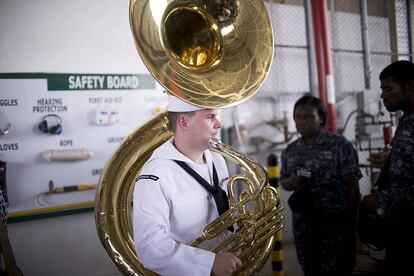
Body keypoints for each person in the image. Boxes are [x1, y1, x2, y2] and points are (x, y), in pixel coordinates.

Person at [133, 94, 241, 276]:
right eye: (210, 117)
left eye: (216, 116)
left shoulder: (218, 160)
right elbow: (150, 247)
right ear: (183, 123)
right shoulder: (156, 174)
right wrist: (209, 263)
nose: (219, 124)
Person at [280, 95, 362, 276]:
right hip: (304, 226)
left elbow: (352, 189)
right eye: (298, 117)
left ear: (321, 118)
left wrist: (349, 226)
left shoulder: (339, 145)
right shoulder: (291, 150)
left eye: (308, 116)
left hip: (334, 224)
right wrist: (291, 181)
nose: (302, 121)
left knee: (338, 269)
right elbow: (283, 182)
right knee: (310, 269)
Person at [360, 60, 414, 275]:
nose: (382, 95)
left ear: (410, 86)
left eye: (388, 88)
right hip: (402, 226)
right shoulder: (406, 121)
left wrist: (381, 201)